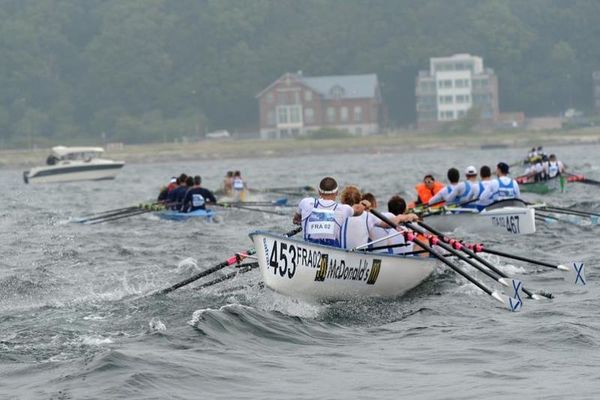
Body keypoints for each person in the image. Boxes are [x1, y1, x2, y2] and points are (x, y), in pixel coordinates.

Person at [293, 177, 371, 247]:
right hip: (331, 252)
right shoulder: (342, 209)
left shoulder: (306, 202)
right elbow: (357, 210)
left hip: (307, 248)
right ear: (336, 193)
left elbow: (296, 219)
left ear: (319, 192)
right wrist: (363, 205)